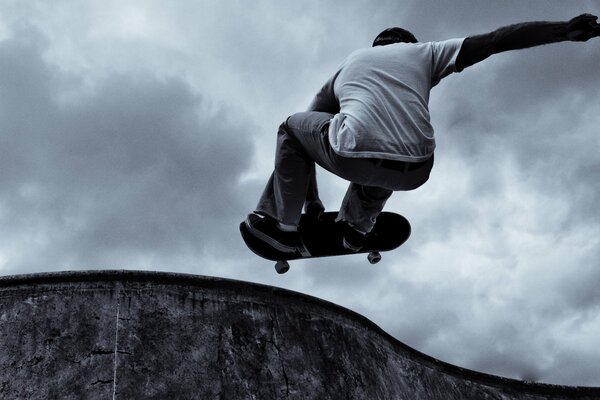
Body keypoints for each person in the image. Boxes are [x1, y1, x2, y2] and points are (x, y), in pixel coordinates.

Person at [245, 14, 600, 254]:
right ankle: (355, 228)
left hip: (351, 153)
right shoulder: (427, 53)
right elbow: (495, 40)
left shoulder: (348, 66)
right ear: (409, 43)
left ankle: (282, 227)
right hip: (418, 169)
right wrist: (563, 30)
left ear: (375, 47)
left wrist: (311, 203)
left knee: (293, 129)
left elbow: (304, 137)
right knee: (392, 140)